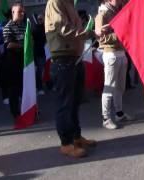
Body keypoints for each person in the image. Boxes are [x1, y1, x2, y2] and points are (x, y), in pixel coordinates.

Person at [45, 0, 96, 158]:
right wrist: (90, 33)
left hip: (74, 58)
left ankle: (76, 137)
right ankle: (66, 143)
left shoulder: (68, 3)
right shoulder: (55, 2)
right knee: (65, 104)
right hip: (63, 60)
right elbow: (64, 28)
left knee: (74, 101)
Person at [95, 0, 132, 130]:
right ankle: (106, 118)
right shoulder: (102, 14)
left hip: (121, 52)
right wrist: (120, 34)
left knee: (120, 86)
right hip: (110, 53)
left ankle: (119, 113)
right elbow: (100, 37)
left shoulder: (118, 10)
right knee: (109, 87)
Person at [2, 3, 26, 119]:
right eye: (19, 11)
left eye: (23, 11)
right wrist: (23, 45)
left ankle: (27, 109)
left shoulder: (25, 26)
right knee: (14, 90)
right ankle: (15, 113)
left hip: (24, 61)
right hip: (12, 63)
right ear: (12, 13)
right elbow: (9, 44)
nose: (22, 13)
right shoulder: (8, 27)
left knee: (25, 87)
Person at [32, 14, 46, 95]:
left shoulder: (46, 28)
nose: (40, 20)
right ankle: (39, 87)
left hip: (45, 53)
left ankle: (48, 84)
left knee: (45, 69)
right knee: (39, 71)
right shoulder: (35, 29)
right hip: (38, 53)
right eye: (39, 19)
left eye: (41, 19)